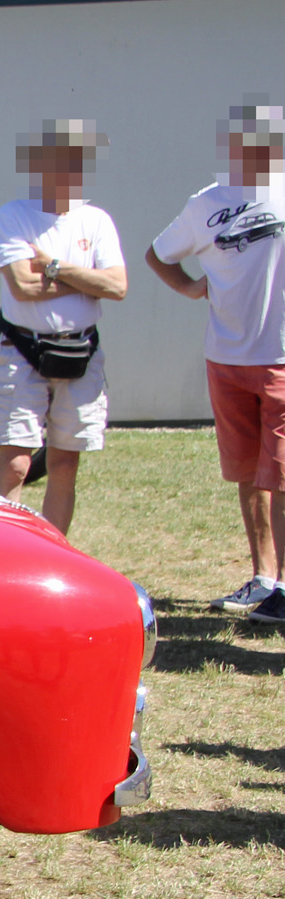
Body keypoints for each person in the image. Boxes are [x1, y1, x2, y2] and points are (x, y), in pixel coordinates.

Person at [145, 102, 285, 621]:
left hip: (281, 358)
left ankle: (283, 590)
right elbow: (158, 254)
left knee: (283, 475)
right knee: (250, 473)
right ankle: (264, 578)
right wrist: (188, 288)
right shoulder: (205, 204)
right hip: (226, 358)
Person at [0, 119, 128, 535]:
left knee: (65, 463)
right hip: (23, 352)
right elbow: (24, 287)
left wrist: (55, 266)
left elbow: (117, 286)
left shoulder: (96, 220)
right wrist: (85, 280)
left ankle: (51, 557)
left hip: (81, 353)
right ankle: (0, 556)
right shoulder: (13, 216)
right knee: (15, 464)